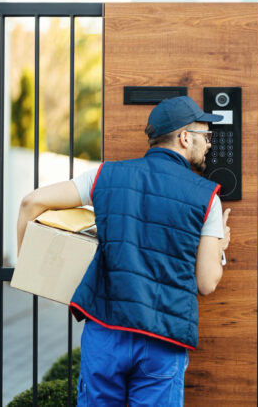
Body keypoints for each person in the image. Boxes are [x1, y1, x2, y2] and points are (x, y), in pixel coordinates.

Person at [16, 96, 231, 406]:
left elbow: (30, 203)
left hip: (106, 331)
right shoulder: (207, 197)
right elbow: (206, 282)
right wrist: (220, 246)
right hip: (163, 339)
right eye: (206, 136)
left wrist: (28, 271)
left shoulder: (104, 176)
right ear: (185, 138)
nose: (210, 144)